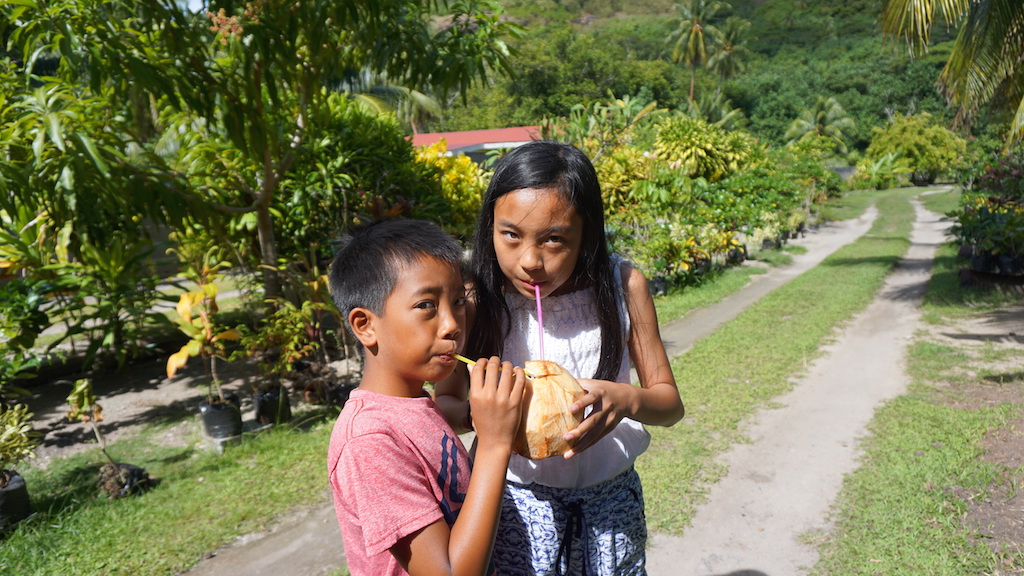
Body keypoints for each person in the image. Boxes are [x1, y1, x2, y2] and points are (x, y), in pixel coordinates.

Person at [435, 141, 685, 575]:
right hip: (513, 505)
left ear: (585, 234)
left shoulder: (624, 287)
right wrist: (489, 420)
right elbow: (446, 403)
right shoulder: (477, 301)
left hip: (610, 507)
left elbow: (670, 404)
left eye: (554, 240)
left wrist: (625, 400)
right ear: (489, 225)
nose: (531, 261)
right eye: (510, 235)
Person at [326, 218, 526, 576]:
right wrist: (495, 443)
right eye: (426, 306)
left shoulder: (416, 402)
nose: (452, 324)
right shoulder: (368, 441)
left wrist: (486, 420)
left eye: (458, 301)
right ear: (365, 325)